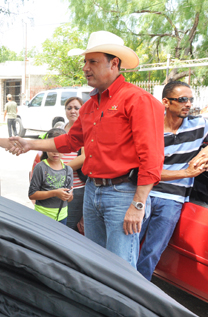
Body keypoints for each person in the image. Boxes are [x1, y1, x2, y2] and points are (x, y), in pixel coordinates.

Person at [10, 31, 165, 268]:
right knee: (97, 265)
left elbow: (152, 157)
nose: (85, 68)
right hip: (93, 191)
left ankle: (123, 306)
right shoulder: (91, 104)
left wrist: (138, 204)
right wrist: (30, 143)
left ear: (114, 64)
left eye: (93, 61)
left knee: (121, 269)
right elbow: (69, 141)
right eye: (85, 61)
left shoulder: (138, 100)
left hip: (123, 194)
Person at [137, 81, 208, 280]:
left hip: (173, 200)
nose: (188, 104)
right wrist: (186, 173)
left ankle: (136, 292)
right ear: (166, 102)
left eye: (190, 99)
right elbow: (144, 170)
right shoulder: (150, 128)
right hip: (144, 194)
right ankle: (116, 287)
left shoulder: (199, 125)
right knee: (127, 247)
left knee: (152, 252)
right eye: (182, 99)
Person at [29, 128, 74, 225]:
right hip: (42, 216)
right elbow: (32, 194)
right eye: (52, 148)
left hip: (62, 216)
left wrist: (69, 196)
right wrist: (54, 193)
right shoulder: (40, 167)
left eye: (59, 148)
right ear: (46, 148)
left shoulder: (68, 170)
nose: (55, 152)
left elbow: (70, 198)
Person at [61, 97, 86, 232]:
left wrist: (61, 170)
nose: (73, 111)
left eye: (77, 108)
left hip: (76, 188)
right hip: (57, 186)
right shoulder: (59, 129)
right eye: (69, 108)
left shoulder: (85, 130)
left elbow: (84, 156)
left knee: (67, 229)